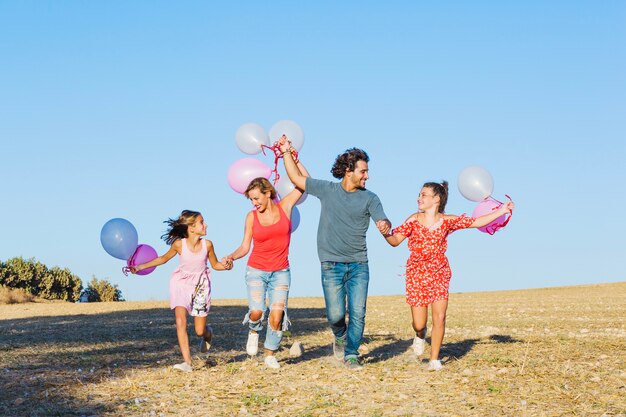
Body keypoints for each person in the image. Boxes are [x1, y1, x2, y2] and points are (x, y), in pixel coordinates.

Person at [278, 137, 391, 370]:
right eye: (363, 171)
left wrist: (384, 224)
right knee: (336, 314)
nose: (367, 176)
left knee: (358, 312)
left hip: (359, 264)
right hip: (331, 264)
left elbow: (382, 218)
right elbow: (297, 178)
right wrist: (287, 152)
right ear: (348, 171)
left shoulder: (371, 198)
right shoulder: (327, 190)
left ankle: (351, 353)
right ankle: (339, 336)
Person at [384, 181, 514, 371]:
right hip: (416, 273)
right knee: (419, 323)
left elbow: (476, 222)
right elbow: (395, 241)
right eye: (419, 194)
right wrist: (385, 232)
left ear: (436, 199)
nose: (419, 198)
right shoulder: (413, 219)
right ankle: (420, 335)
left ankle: (434, 359)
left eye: (424, 194)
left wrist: (502, 210)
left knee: (440, 317)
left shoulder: (447, 221)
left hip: (439, 272)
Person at [226, 154, 309, 370]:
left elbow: (305, 183)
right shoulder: (251, 217)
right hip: (256, 270)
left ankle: (270, 353)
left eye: (257, 198)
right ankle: (254, 330)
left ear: (268, 193)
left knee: (277, 315)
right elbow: (245, 246)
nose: (254, 203)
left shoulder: (286, 207)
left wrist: (293, 157)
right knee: (257, 312)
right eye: (251, 200)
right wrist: (231, 257)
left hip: (281, 271)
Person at [129, 210, 232, 372]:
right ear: (191, 228)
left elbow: (216, 265)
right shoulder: (179, 245)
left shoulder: (208, 245)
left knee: (199, 331)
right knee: (180, 321)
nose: (205, 225)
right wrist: (140, 266)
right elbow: (162, 259)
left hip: (201, 287)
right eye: (201, 222)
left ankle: (208, 333)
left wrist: (226, 266)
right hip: (181, 284)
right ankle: (187, 363)